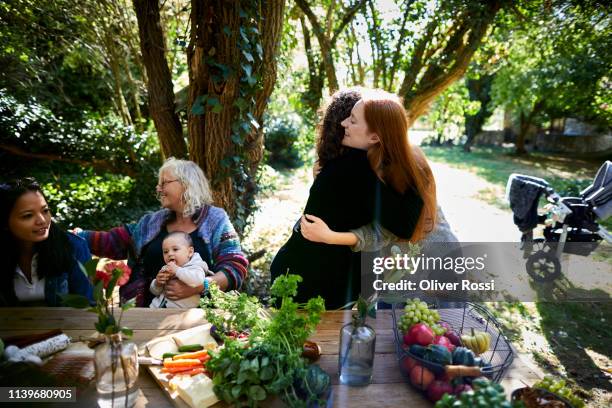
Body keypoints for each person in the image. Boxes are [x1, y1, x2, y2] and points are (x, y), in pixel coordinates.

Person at [271, 88, 436, 308]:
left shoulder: (385, 169)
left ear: (375, 136)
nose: (343, 124)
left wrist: (332, 237)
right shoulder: (351, 165)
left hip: (331, 287)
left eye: (353, 120)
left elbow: (395, 230)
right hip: (321, 280)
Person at [77, 158, 248, 307]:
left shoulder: (215, 220)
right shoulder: (151, 223)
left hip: (201, 318)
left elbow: (234, 267)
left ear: (186, 184)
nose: (158, 189)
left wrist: (199, 286)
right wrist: (77, 236)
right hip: (148, 314)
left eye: (164, 182)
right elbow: (112, 241)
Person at [0, 177, 93, 306]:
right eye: (27, 215)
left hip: (66, 325)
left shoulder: (74, 247)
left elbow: (89, 305)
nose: (42, 220)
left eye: (45, 211)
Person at [150, 231, 211, 308]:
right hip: (155, 307)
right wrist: (157, 283)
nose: (170, 254)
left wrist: (177, 270)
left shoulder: (196, 266)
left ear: (190, 252)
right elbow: (155, 292)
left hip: (180, 314)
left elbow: (197, 281)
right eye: (165, 252)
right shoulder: (166, 268)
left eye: (175, 249)